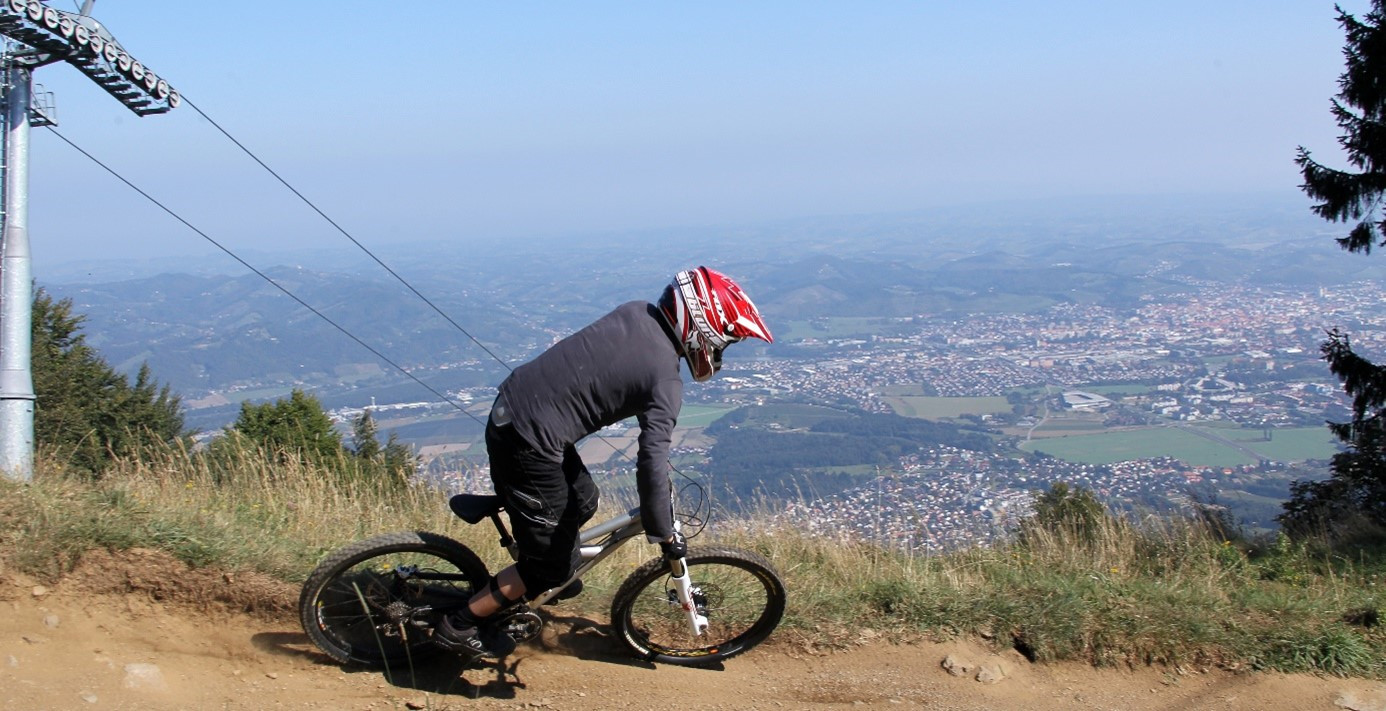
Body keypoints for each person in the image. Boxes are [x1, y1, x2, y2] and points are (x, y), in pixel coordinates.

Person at [434, 266, 773, 659]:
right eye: (724, 342)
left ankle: (545, 555)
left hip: (516, 412)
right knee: (551, 569)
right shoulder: (665, 379)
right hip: (529, 443)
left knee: (584, 499)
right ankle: (459, 624)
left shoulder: (636, 311)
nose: (720, 352)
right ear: (703, 328)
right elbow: (651, 460)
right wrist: (663, 531)